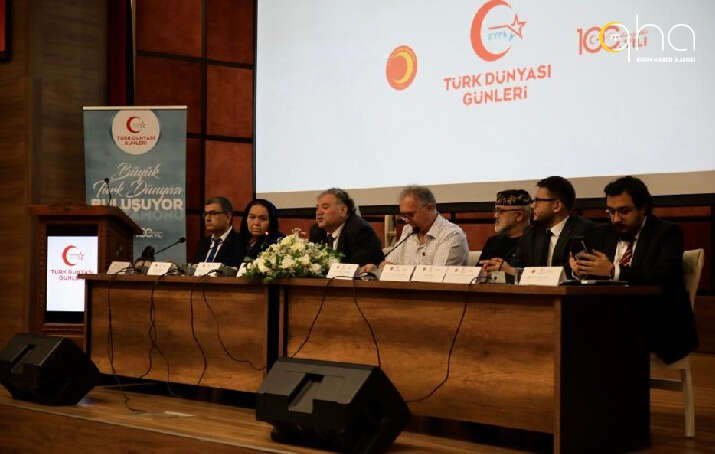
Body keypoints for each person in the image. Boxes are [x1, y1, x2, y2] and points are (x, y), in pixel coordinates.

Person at [570, 176, 698, 363]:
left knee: (594, 334)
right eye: (610, 211)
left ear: (643, 208)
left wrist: (613, 272)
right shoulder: (601, 233)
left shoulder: (667, 233)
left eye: (624, 211)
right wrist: (580, 271)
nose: (615, 219)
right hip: (607, 315)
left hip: (655, 319)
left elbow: (665, 278)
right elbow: (594, 276)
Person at [481, 176, 593, 275]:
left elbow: (573, 274)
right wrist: (507, 270)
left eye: (538, 201)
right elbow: (516, 269)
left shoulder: (585, 232)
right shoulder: (531, 234)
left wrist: (514, 271)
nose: (533, 206)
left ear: (557, 206)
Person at [382, 185, 469, 266]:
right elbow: (390, 263)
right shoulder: (408, 230)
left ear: (430, 208)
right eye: (404, 216)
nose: (407, 221)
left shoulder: (451, 235)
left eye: (410, 215)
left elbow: (437, 274)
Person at [309, 188, 384, 266]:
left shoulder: (359, 230)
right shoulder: (316, 231)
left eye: (325, 207)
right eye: (317, 208)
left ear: (343, 210)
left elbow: (359, 268)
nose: (319, 212)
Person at [478, 189, 532, 263]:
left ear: (519, 215)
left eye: (500, 211)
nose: (495, 215)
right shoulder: (493, 242)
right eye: (495, 210)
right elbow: (479, 268)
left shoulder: (536, 243)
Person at [193, 196, 243, 267]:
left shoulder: (240, 243)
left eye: (213, 213)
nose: (207, 218)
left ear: (228, 217)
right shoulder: (202, 244)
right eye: (205, 214)